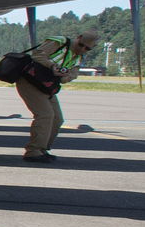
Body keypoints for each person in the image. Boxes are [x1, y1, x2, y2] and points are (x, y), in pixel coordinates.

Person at [18, 31, 101, 162]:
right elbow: (38, 55)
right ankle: (33, 151)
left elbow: (73, 75)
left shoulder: (78, 58)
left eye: (87, 49)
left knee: (57, 118)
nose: (83, 49)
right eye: (81, 45)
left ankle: (42, 149)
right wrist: (52, 66)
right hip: (30, 81)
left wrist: (64, 76)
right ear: (78, 37)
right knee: (45, 115)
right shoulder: (59, 42)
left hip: (46, 86)